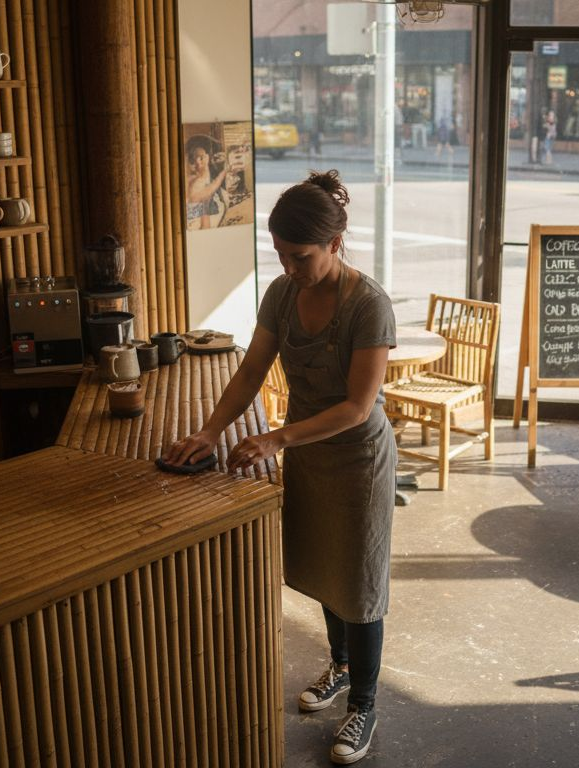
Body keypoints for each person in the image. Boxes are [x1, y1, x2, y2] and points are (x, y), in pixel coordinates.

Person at [164, 170, 397, 765]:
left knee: (361, 582)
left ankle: (364, 704)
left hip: (358, 457)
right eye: (281, 255)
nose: (289, 266)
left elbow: (357, 406)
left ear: (335, 244)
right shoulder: (283, 293)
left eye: (300, 256)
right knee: (325, 566)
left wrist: (275, 439)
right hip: (309, 453)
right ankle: (340, 669)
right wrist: (209, 432)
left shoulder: (369, 305)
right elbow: (248, 372)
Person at [184, 138, 230, 229]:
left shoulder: (218, 191)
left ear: (208, 158)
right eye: (193, 159)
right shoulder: (191, 182)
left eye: (201, 157)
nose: (197, 162)